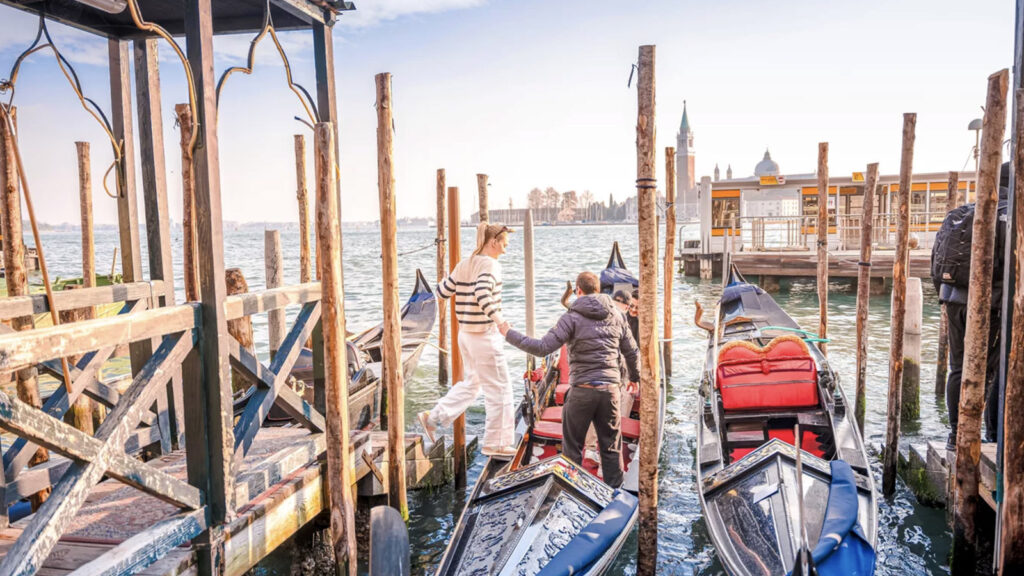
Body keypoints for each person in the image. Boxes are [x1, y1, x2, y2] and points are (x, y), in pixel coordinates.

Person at [499, 271, 640, 488]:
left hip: (582, 391)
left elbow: (542, 347)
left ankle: (572, 491)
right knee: (611, 448)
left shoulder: (570, 317)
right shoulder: (617, 316)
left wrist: (509, 333)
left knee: (572, 449)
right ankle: (615, 496)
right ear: (599, 290)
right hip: (610, 391)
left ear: (578, 291)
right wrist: (635, 378)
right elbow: (632, 352)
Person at [418, 223, 517, 459]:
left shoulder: (465, 264)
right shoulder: (491, 265)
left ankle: (432, 418)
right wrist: (500, 321)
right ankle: (496, 443)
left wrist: (449, 282)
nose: (505, 249)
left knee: (472, 385)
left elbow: (441, 292)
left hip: (465, 335)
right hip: (484, 335)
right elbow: (482, 293)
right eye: (504, 244)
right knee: (500, 389)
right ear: (493, 242)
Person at [934, 162, 1009, 449]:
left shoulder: (959, 214)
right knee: (995, 370)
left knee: (957, 367)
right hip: (991, 304)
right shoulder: (1008, 215)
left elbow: (936, 264)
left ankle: (956, 435)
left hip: (953, 300)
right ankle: (993, 434)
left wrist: (947, 295)